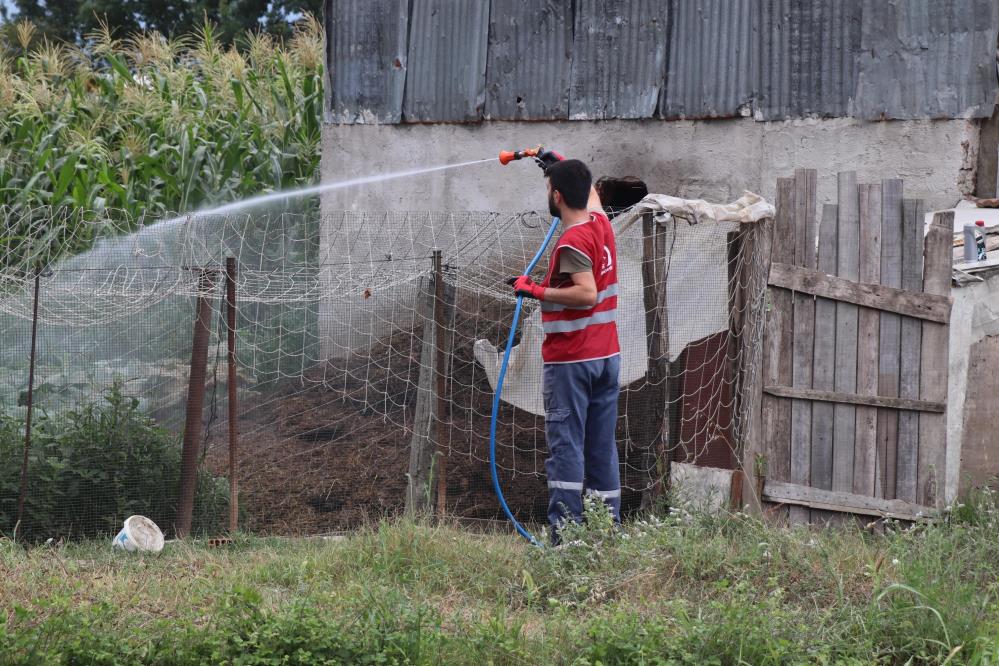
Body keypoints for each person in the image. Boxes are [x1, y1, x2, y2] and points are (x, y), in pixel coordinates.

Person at [509, 154, 621, 544]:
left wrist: (534, 290)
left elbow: (586, 293)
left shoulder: (573, 241)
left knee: (567, 447)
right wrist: (557, 160)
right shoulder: (601, 225)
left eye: (547, 189)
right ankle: (606, 533)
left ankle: (567, 540)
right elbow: (589, 191)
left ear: (557, 196)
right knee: (602, 447)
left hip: (573, 361)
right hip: (606, 357)